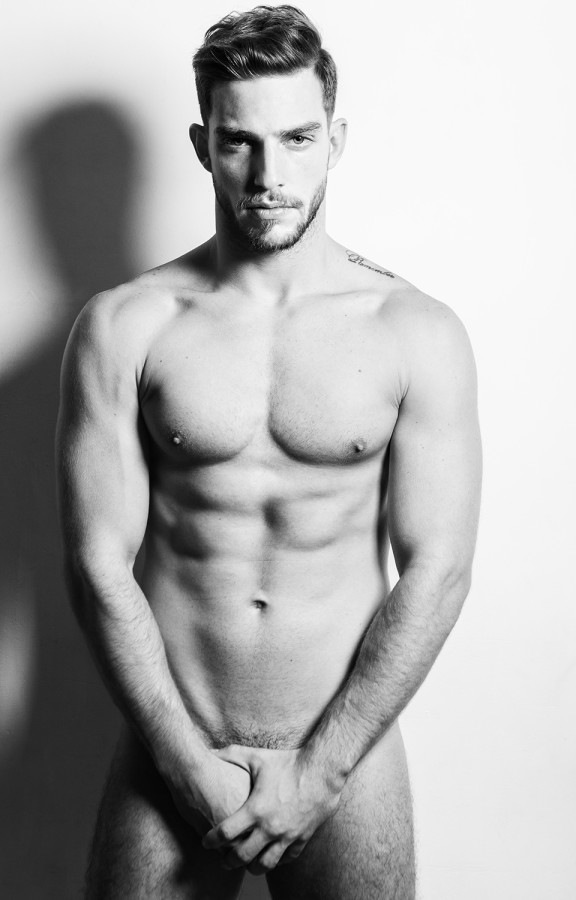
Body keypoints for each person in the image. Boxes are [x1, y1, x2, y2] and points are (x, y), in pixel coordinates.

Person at [56, 5, 482, 898]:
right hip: (174, 742)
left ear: (335, 140)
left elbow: (439, 570)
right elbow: (96, 565)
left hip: (347, 749)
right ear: (202, 146)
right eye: (239, 142)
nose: (269, 174)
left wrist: (321, 772)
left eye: (296, 139)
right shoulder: (126, 327)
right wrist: (183, 764)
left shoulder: (415, 332)